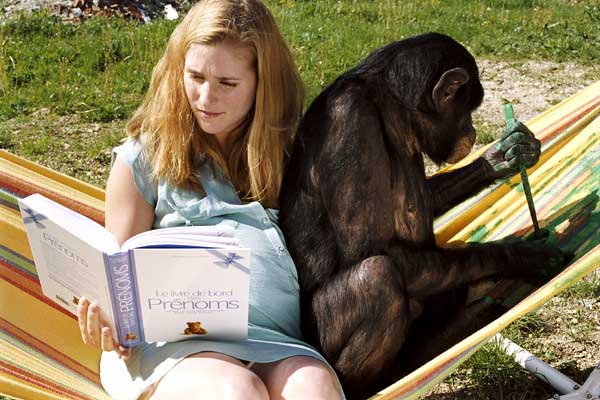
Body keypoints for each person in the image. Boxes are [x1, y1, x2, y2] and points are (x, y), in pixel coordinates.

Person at [76, 0, 343, 398]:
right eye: (195, 75)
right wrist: (105, 320)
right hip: (172, 349)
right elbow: (115, 285)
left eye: (227, 83)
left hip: (273, 339)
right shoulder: (144, 159)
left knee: (314, 388)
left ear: (262, 83)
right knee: (237, 390)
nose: (205, 97)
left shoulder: (293, 156)